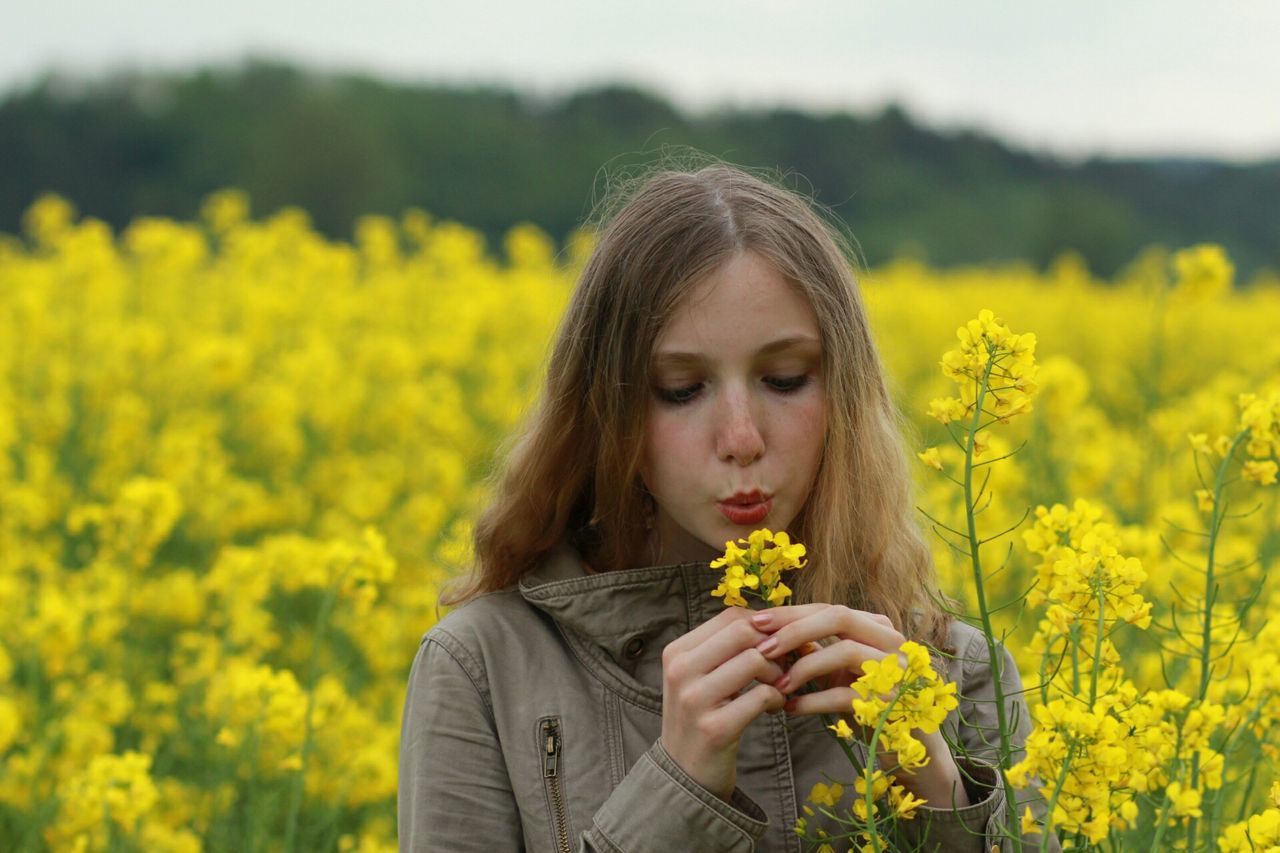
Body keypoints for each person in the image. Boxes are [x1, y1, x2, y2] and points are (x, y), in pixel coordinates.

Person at [398, 159, 1049, 851]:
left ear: (845, 395)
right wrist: (673, 793)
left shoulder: (955, 668)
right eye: (680, 388)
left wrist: (939, 792)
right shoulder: (484, 668)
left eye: (785, 379)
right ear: (607, 412)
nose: (741, 439)